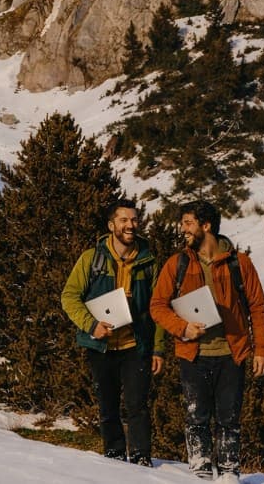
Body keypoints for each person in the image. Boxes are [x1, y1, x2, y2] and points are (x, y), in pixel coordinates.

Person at [150, 200, 264, 481]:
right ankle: (200, 472)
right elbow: (157, 305)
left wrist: (261, 350)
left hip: (233, 353)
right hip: (193, 354)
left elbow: (257, 307)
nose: (183, 230)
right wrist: (182, 328)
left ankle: (229, 473)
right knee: (196, 418)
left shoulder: (239, 263)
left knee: (229, 419)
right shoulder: (177, 263)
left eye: (188, 223)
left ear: (206, 226)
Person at [61, 199, 164, 467]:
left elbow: (159, 307)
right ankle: (115, 458)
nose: (130, 225)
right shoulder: (91, 259)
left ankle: (141, 459)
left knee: (138, 407)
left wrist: (158, 348)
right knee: (107, 408)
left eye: (134, 220)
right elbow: (69, 297)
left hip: (136, 345)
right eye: (124, 220)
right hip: (101, 346)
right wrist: (90, 324)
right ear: (111, 225)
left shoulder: (149, 261)